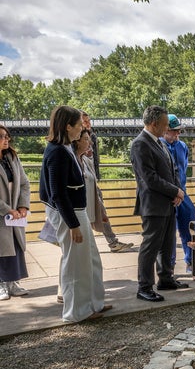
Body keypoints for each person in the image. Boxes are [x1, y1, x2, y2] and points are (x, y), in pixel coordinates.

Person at [39, 105, 110, 321]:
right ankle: (75, 312)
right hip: (70, 214)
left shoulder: (66, 148)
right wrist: (72, 225)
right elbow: (58, 194)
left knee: (91, 259)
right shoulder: (57, 152)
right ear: (68, 126)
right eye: (79, 125)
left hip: (77, 212)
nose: (83, 128)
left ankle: (93, 303)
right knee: (75, 264)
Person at [130, 105, 187, 302]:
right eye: (164, 125)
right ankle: (144, 286)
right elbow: (149, 178)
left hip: (169, 203)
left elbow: (174, 170)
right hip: (153, 205)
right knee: (150, 246)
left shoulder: (159, 142)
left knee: (167, 244)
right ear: (154, 124)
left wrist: (178, 192)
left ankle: (166, 278)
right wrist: (176, 191)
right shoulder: (140, 144)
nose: (166, 128)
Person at [162, 115, 195, 275]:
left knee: (190, 222)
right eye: (175, 131)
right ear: (165, 130)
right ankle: (170, 267)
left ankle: (191, 262)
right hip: (167, 196)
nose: (178, 134)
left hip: (183, 193)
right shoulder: (159, 145)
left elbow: (183, 168)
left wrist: (181, 191)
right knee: (168, 233)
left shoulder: (182, 146)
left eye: (179, 131)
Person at [81, 112, 132, 253]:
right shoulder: (79, 139)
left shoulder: (91, 135)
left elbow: (93, 158)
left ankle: (110, 242)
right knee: (98, 211)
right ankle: (110, 242)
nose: (88, 123)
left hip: (92, 180)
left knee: (99, 211)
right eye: (85, 121)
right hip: (86, 182)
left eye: (89, 120)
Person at [0, 124, 31, 301]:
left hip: (15, 212)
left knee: (15, 246)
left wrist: (22, 206)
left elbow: (25, 183)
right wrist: (6, 209)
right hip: (3, 210)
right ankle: (1, 285)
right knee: (1, 248)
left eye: (7, 136)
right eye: (2, 136)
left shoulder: (12, 157)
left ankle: (12, 282)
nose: (7, 139)